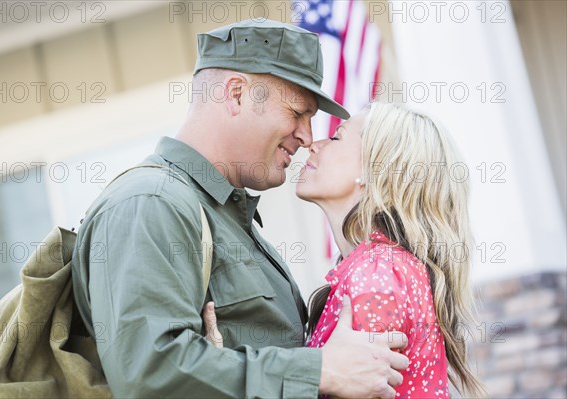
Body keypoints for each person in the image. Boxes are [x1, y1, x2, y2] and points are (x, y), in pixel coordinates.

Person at [71, 19, 408, 398]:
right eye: (298, 111)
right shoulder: (150, 204)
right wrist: (318, 371)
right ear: (236, 95)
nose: (307, 137)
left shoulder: (223, 216)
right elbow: (149, 374)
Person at [206, 102, 487, 398]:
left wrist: (222, 376)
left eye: (337, 137)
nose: (314, 145)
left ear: (373, 171)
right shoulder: (378, 268)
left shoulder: (377, 277)